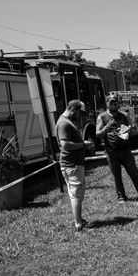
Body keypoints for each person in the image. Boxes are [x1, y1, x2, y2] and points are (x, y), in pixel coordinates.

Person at [96, 96, 138, 204]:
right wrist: (107, 128)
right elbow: (98, 133)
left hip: (125, 150)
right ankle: (121, 197)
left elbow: (131, 130)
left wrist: (128, 130)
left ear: (118, 104)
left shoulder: (124, 116)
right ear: (107, 104)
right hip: (111, 151)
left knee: (134, 172)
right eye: (111, 103)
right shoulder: (102, 117)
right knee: (117, 175)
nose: (113, 104)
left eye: (115, 102)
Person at [56, 100, 93, 233]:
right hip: (71, 165)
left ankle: (79, 220)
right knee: (76, 195)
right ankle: (78, 224)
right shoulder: (64, 123)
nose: (80, 116)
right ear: (73, 110)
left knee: (75, 194)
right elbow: (65, 145)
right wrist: (83, 144)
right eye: (79, 113)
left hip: (73, 164)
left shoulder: (67, 122)